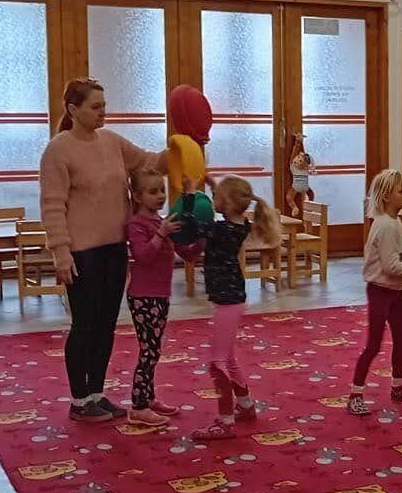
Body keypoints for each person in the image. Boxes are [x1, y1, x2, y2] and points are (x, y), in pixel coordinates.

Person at [40, 77, 166, 424]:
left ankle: (97, 393)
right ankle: (79, 400)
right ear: (73, 109)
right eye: (95, 107)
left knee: (107, 325)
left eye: (104, 106)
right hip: (82, 254)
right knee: (84, 325)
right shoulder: (58, 150)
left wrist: (183, 148)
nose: (102, 112)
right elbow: (52, 205)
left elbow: (150, 162)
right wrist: (60, 253)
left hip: (114, 249)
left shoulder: (112, 142)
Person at [194, 176, 281, 439]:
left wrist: (190, 194)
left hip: (228, 300)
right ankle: (245, 405)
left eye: (216, 197)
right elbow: (220, 214)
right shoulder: (240, 225)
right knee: (228, 357)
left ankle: (225, 422)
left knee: (216, 361)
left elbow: (195, 226)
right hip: (232, 297)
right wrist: (214, 187)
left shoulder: (220, 230)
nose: (213, 201)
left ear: (228, 204)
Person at [124, 167, 200, 427]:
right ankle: (138, 406)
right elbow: (143, 256)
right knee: (148, 351)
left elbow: (186, 253)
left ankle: (149, 397)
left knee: (154, 350)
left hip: (160, 296)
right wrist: (161, 234)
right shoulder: (137, 224)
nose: (160, 196)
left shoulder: (162, 222)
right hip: (143, 296)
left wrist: (202, 240)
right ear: (137, 196)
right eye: (153, 191)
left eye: (162, 191)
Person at [349, 169, 402, 415]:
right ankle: (355, 394)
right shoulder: (386, 226)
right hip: (380, 291)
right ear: (386, 196)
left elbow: (395, 259)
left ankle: (398, 386)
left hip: (394, 290)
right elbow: (390, 266)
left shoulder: (394, 222)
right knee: (373, 344)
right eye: (401, 191)